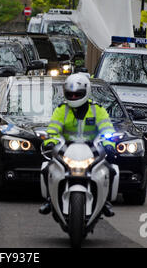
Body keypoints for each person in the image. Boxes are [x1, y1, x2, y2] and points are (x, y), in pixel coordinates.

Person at [39, 73, 117, 217]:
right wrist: (50, 142)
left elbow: (107, 130)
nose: (73, 97)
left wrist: (108, 144)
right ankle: (50, 200)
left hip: (92, 150)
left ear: (86, 92)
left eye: (77, 94)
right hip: (67, 149)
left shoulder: (97, 110)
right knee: (47, 168)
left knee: (110, 170)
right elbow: (52, 131)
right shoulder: (61, 110)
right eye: (70, 94)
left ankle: (105, 201)